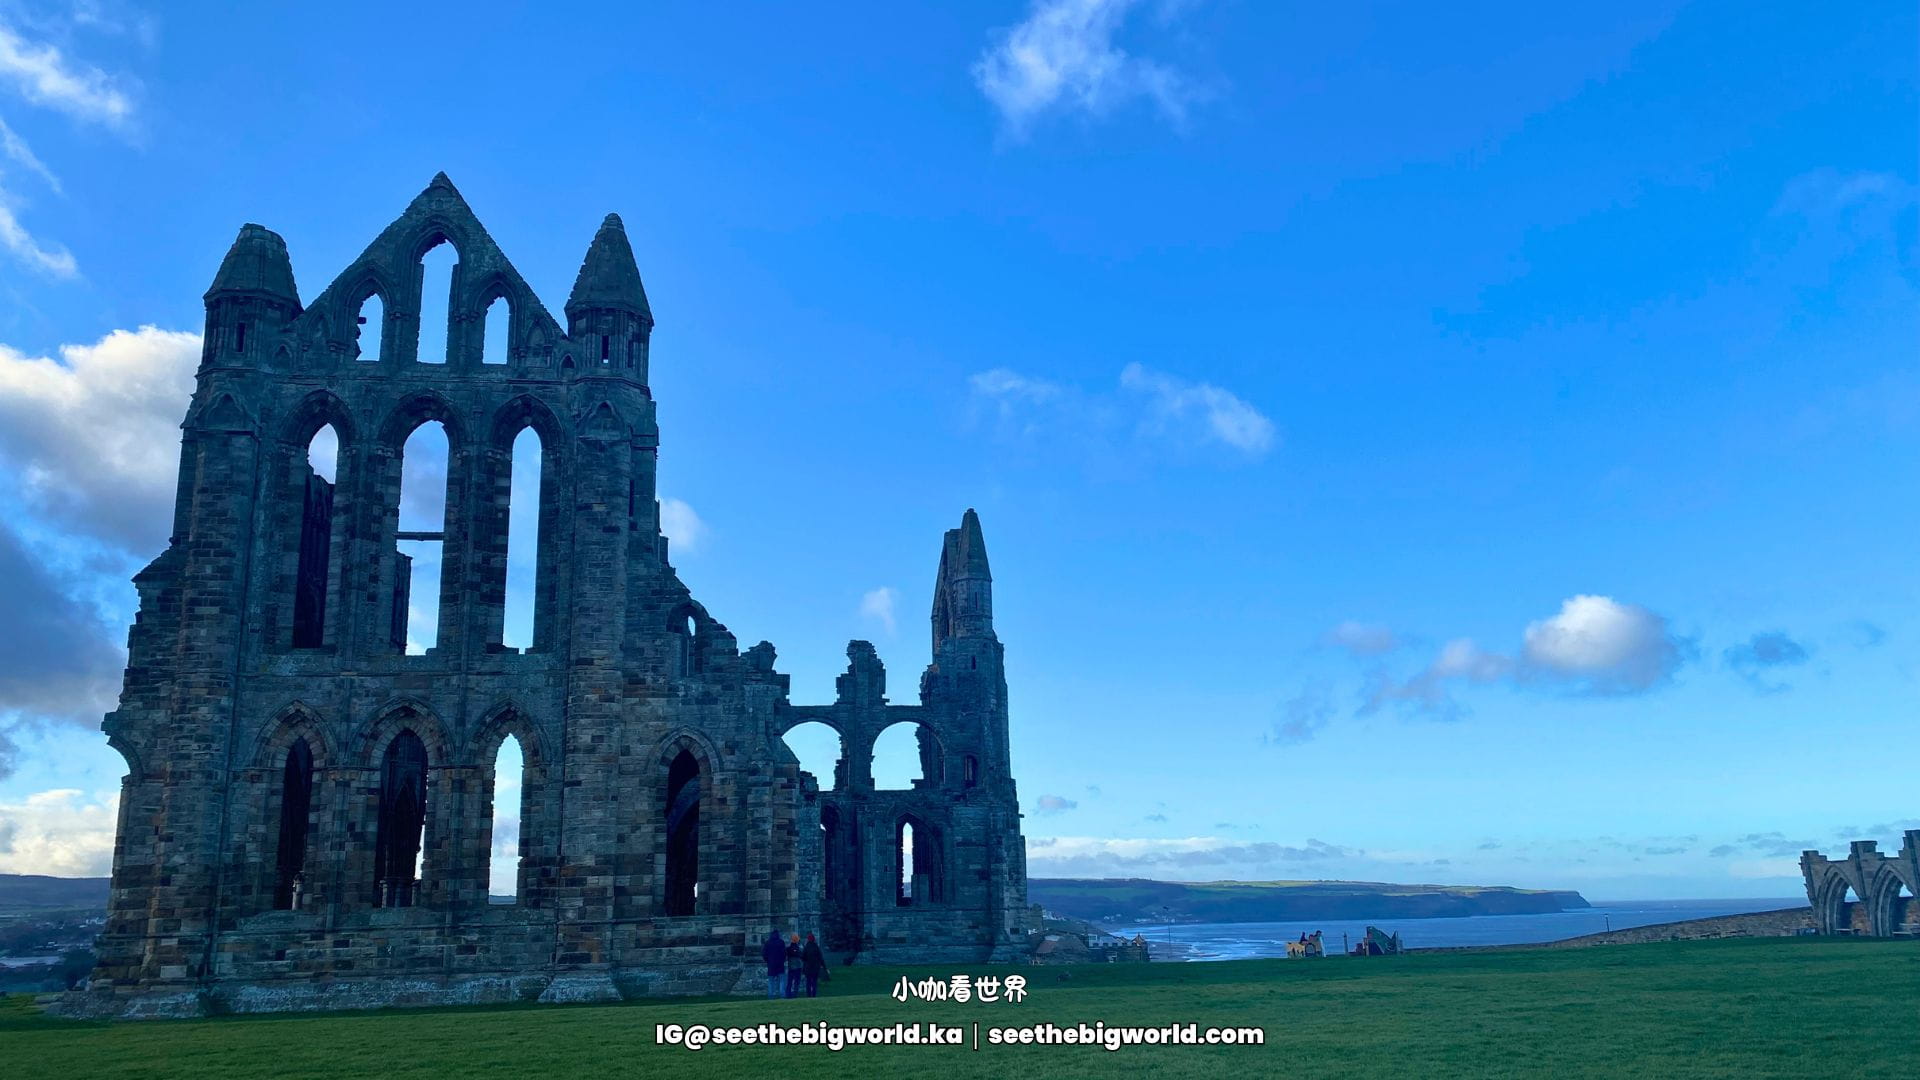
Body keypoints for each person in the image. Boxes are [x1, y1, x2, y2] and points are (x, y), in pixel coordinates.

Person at [762, 929, 786, 999]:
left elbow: (764, 954)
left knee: (771, 981)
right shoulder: (781, 942)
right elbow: (784, 953)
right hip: (780, 964)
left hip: (771, 964)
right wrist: (782, 960)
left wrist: (768, 961)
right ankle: (782, 995)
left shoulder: (767, 943)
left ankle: (771, 995)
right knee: (781, 980)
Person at [801, 932, 827, 997]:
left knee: (808, 982)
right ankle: (814, 994)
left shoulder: (806, 947)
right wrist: (824, 967)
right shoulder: (816, 947)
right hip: (815, 968)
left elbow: (803, 957)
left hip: (808, 968)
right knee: (814, 982)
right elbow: (820, 958)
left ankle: (808, 995)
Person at [785, 933, 804, 998]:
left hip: (791, 966)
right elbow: (802, 956)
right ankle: (795, 994)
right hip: (798, 966)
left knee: (789, 981)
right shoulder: (799, 948)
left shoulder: (788, 948)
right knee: (796, 981)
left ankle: (788, 994)